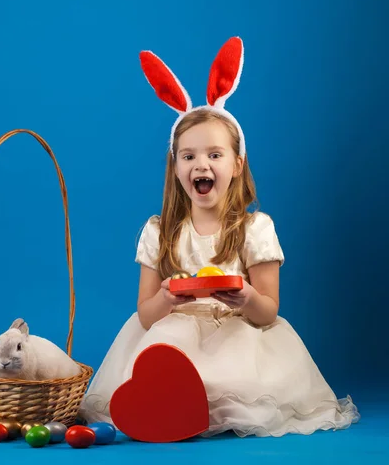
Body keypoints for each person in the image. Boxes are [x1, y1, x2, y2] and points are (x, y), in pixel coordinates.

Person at [79, 37, 360, 437]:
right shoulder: (159, 232)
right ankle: (165, 403)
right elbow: (145, 315)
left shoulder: (254, 229)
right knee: (165, 352)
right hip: (175, 332)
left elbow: (268, 312)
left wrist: (245, 296)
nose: (201, 164)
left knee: (235, 382)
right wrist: (166, 297)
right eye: (188, 155)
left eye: (214, 154)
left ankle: (193, 409)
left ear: (237, 163)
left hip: (236, 334)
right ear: (175, 167)